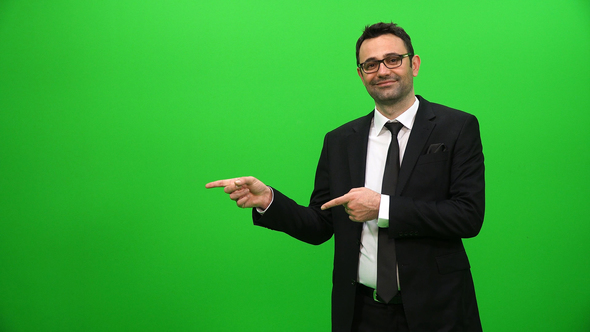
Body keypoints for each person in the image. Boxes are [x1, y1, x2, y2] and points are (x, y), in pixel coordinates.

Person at [206, 22, 485, 332]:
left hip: (439, 310)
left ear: (413, 64)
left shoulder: (457, 127)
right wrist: (269, 200)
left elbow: (468, 216)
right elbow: (321, 225)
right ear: (361, 74)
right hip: (360, 313)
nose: (382, 70)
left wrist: (382, 207)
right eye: (371, 64)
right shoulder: (340, 141)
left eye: (393, 59)